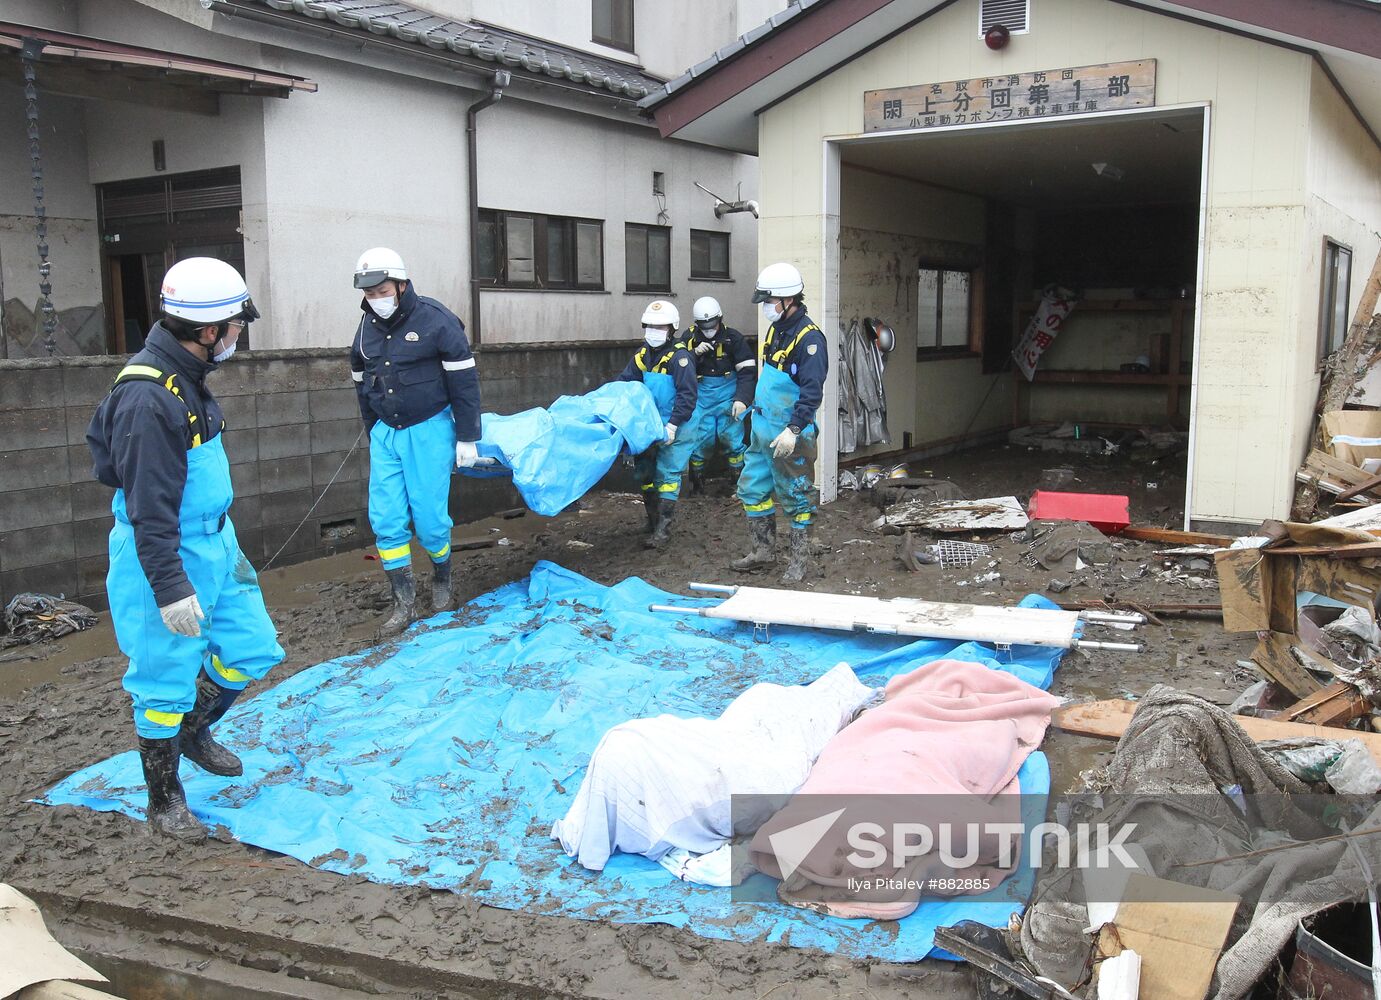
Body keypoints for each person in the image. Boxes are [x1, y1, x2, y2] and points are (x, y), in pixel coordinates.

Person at [86, 257, 284, 840]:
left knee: (251, 648)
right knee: (162, 680)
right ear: (208, 330)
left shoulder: (188, 376)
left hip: (216, 541)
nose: (240, 335)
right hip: (165, 553)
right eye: (236, 325)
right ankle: (164, 800)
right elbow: (149, 510)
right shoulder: (148, 399)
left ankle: (193, 730)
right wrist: (171, 588)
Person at [349, 248, 482, 635]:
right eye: (369, 294)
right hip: (386, 433)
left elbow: (464, 381)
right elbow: (361, 382)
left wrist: (467, 436)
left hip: (428, 429)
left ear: (402, 285)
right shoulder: (365, 328)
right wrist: (372, 429)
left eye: (382, 291)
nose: (377, 299)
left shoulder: (436, 320)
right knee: (386, 518)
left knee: (429, 519)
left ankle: (442, 578)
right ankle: (402, 603)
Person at [733, 262, 828, 584]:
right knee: (752, 488)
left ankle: (799, 561)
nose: (765, 307)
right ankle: (763, 551)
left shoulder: (810, 340)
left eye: (769, 301)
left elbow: (812, 392)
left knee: (797, 494)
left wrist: (794, 429)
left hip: (790, 433)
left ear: (788, 300)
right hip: (763, 429)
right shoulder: (776, 330)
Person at [615, 300, 699, 548]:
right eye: (650, 326)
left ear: (672, 329)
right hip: (651, 424)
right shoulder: (643, 355)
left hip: (678, 424)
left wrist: (672, 425)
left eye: (660, 327)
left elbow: (687, 396)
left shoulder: (680, 358)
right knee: (645, 472)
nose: (653, 331)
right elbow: (625, 383)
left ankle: (663, 530)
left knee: (667, 475)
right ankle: (652, 520)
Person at [685, 296, 756, 495]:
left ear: (720, 319)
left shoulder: (734, 339)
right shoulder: (688, 338)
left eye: (712, 324)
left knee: (732, 440)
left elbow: (747, 372)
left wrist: (742, 399)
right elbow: (676, 366)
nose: (709, 329)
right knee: (700, 442)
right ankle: (697, 488)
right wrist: (693, 354)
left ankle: (737, 486)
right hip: (701, 399)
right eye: (704, 326)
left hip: (729, 398)